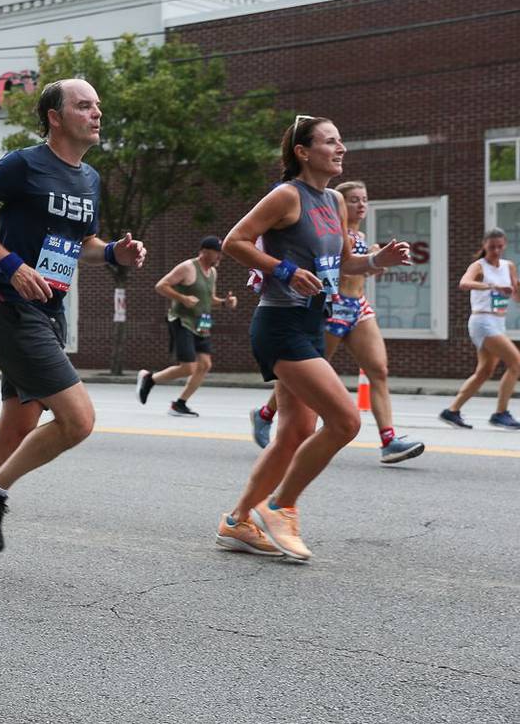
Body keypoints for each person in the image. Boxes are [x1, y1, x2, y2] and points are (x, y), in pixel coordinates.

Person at [0, 78, 146, 576]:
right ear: (54, 115)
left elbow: (81, 242)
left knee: (17, 430)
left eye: (98, 106)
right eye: (84, 105)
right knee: (78, 420)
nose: (96, 113)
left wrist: (114, 252)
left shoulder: (89, 179)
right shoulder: (22, 164)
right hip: (10, 308)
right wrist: (11, 265)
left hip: (48, 310)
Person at [215, 115, 411, 561]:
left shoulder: (334, 203)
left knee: (295, 431)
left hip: (310, 322)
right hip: (280, 325)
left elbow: (345, 265)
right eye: (330, 141)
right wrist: (283, 270)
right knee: (345, 420)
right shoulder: (287, 195)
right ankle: (281, 505)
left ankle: (237, 521)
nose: (340, 148)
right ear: (303, 152)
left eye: (341, 140)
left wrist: (379, 259)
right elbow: (235, 241)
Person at [250, 181, 427, 461]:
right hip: (332, 307)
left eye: (364, 199)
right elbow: (338, 268)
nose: (361, 205)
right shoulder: (330, 234)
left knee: (378, 369)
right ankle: (266, 414)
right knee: (308, 377)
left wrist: (377, 260)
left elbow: (360, 271)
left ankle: (388, 439)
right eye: (354, 200)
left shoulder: (363, 236)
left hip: (358, 307)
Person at [136, 236, 238, 417]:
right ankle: (149, 379)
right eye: (217, 253)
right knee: (188, 367)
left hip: (202, 323)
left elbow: (209, 300)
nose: (220, 257)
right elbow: (161, 286)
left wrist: (224, 303)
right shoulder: (187, 268)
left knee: (205, 365)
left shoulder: (212, 273)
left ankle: (179, 404)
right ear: (205, 251)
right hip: (182, 321)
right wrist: (183, 298)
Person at [440, 227, 520, 430]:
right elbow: (464, 283)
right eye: (492, 246)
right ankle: (500, 413)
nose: (496, 250)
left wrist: (515, 290)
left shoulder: (508, 266)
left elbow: (514, 295)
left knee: (484, 372)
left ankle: (452, 410)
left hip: (498, 322)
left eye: (500, 246)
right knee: (516, 362)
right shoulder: (479, 266)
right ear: (484, 246)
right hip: (482, 322)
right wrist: (491, 286)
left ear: (505, 245)